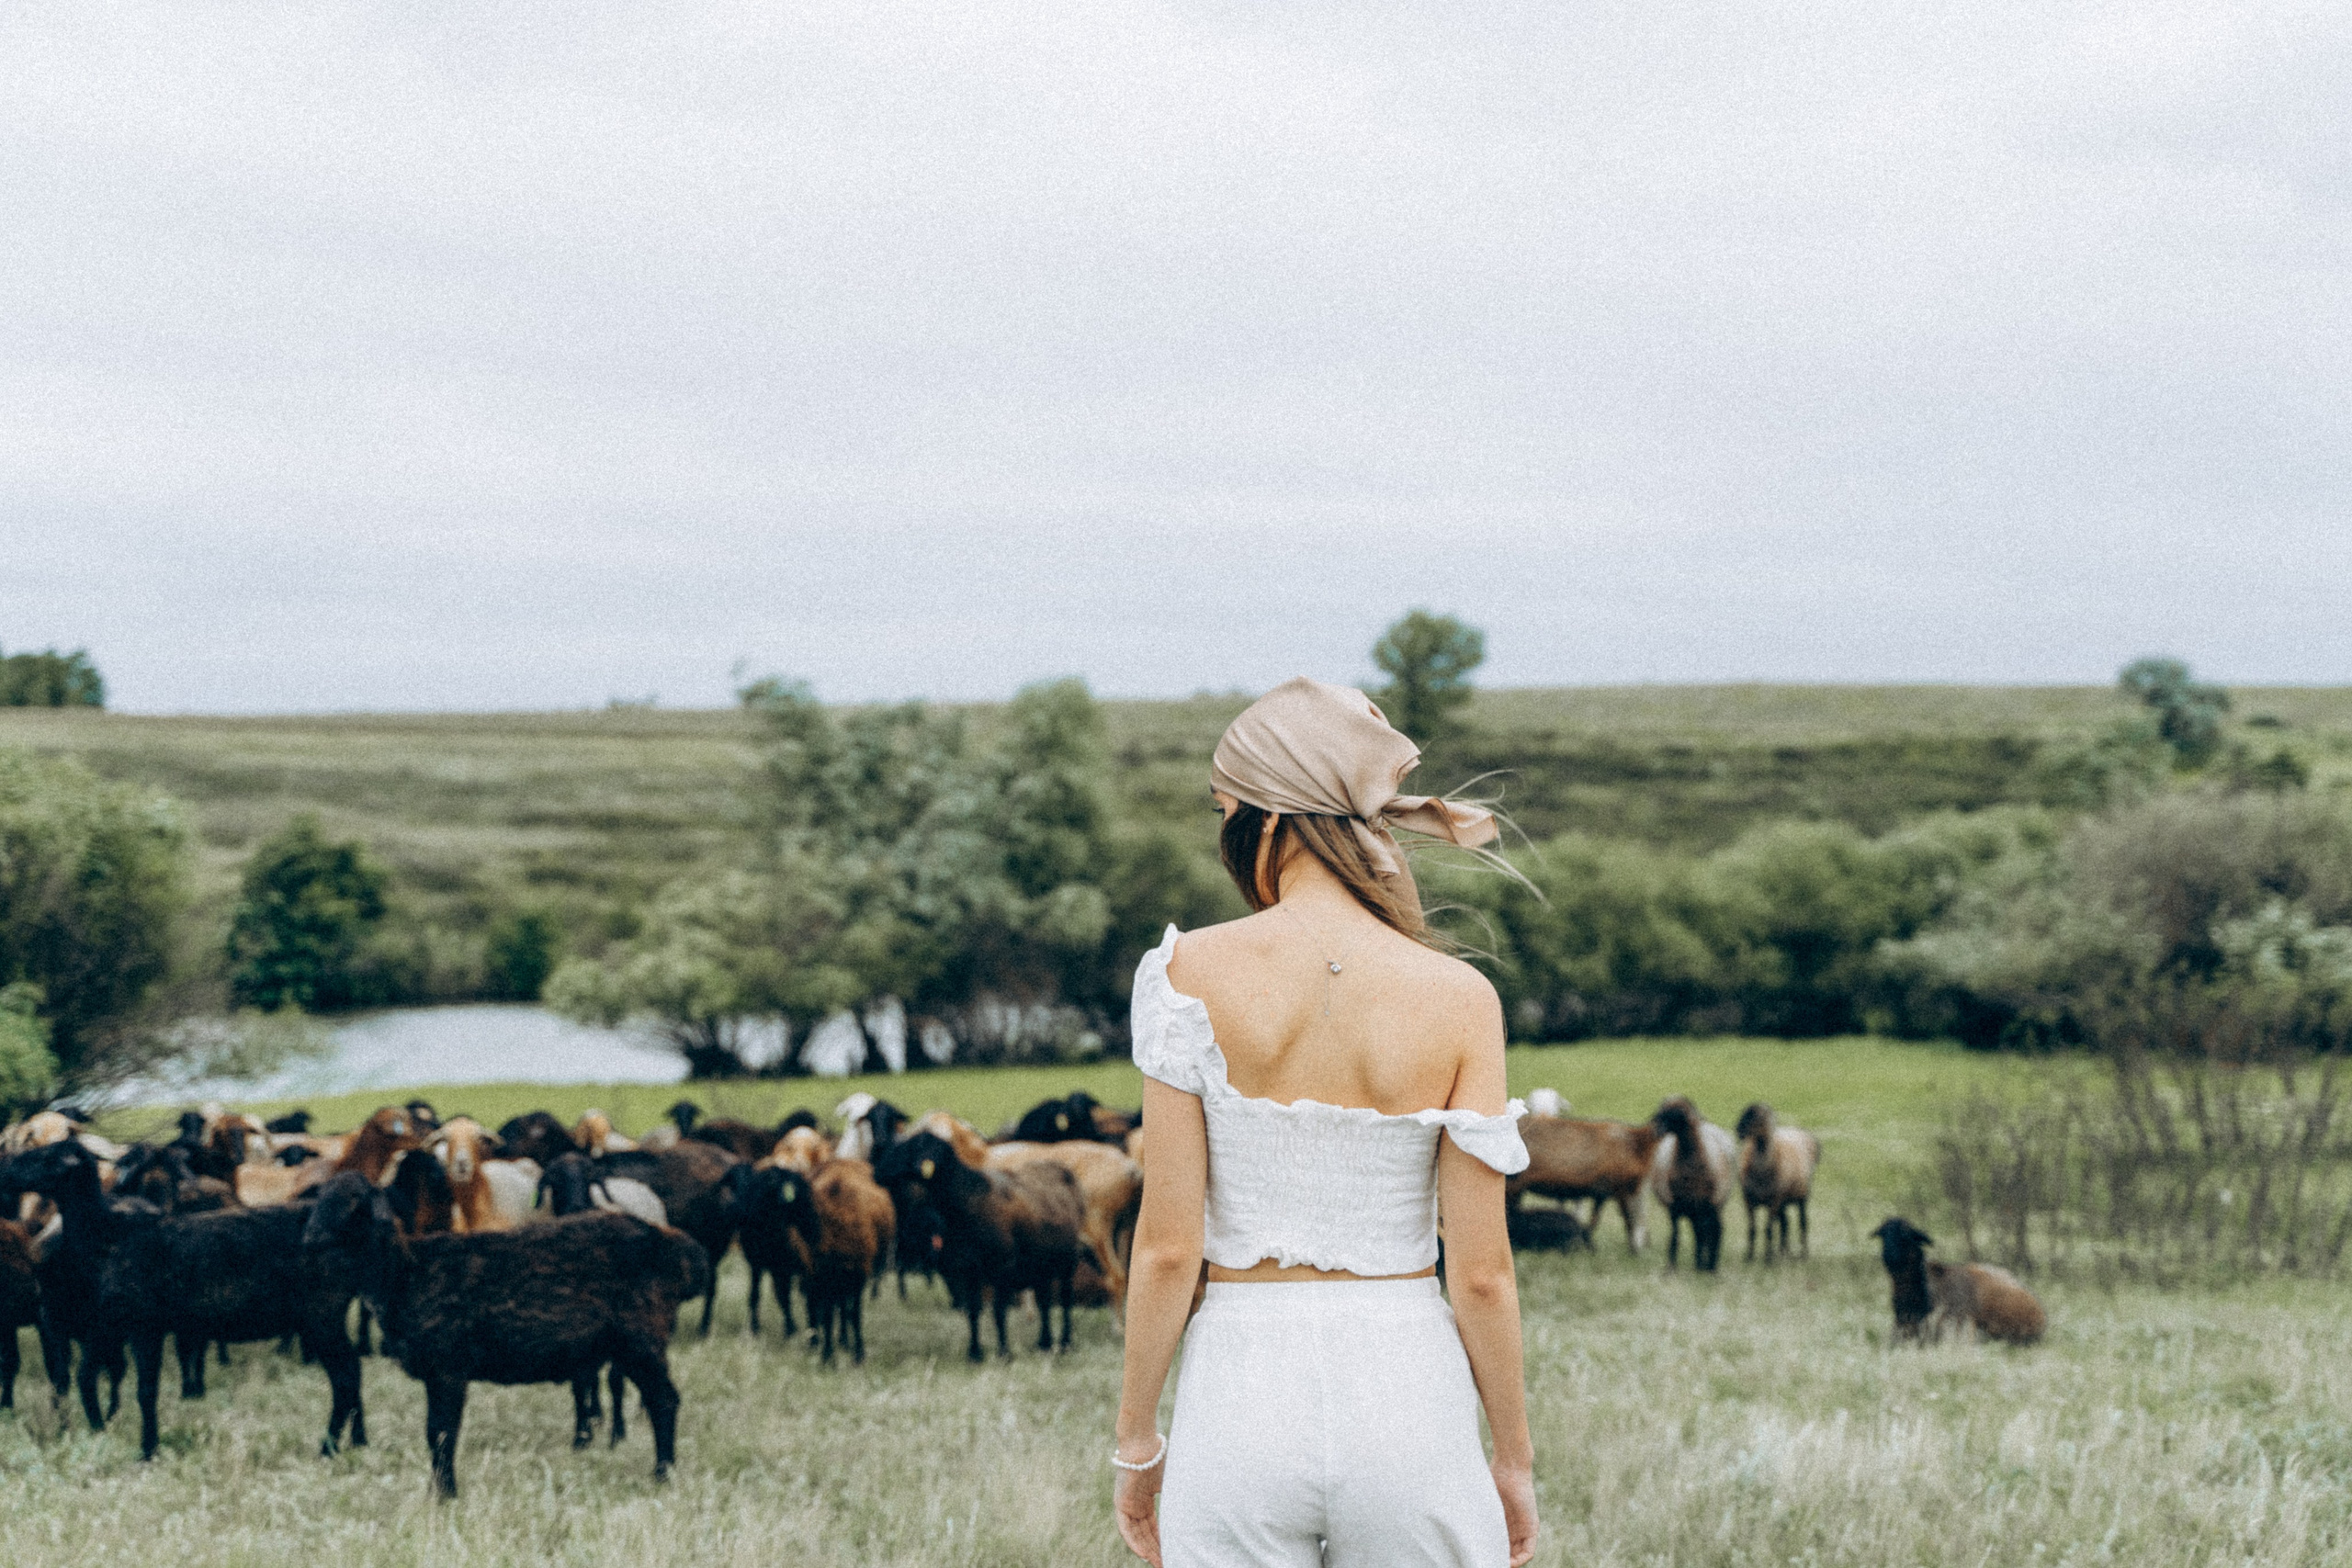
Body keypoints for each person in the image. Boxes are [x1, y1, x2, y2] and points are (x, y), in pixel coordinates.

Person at [1112, 677, 1539, 1568]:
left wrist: (1138, 1445)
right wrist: (1511, 1459)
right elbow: (1485, 1276)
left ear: (1265, 820)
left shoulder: (1184, 972)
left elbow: (1162, 1249)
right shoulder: (1462, 998)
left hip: (1238, 1398)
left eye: (1225, 810)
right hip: (1409, 1400)